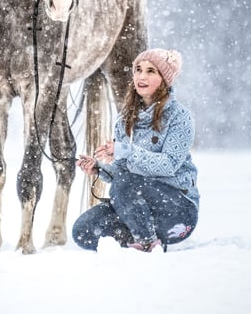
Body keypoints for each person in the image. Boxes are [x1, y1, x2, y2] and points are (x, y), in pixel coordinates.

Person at [72, 48, 199, 252]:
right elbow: (123, 177)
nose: (141, 76)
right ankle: (134, 240)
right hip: (140, 210)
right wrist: (98, 169)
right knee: (83, 230)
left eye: (151, 71)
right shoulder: (125, 120)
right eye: (138, 69)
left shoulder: (180, 117)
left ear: (164, 79)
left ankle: (147, 243)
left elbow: (168, 166)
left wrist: (126, 151)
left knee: (126, 184)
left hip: (177, 212)